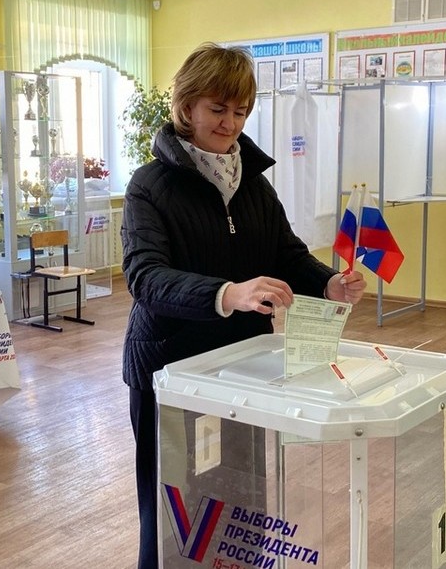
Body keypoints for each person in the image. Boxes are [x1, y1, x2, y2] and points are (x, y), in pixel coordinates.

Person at [120, 43, 366, 569]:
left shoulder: (253, 183)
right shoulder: (149, 186)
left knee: (242, 495)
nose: (229, 123)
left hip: (243, 366)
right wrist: (229, 293)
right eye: (217, 109)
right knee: (172, 505)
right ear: (186, 107)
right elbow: (145, 277)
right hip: (169, 368)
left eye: (240, 111)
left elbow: (286, 254)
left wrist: (329, 284)